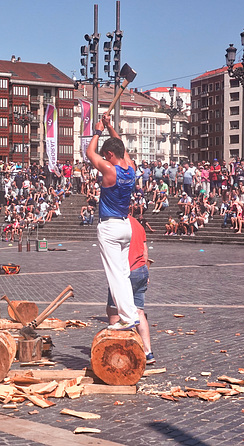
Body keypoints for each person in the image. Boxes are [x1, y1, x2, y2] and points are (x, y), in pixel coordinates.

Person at [86, 113, 139, 330]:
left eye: (106, 156)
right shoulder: (131, 167)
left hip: (109, 226)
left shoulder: (110, 169)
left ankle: (127, 317)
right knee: (123, 273)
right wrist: (109, 126)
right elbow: (121, 147)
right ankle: (131, 312)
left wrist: (97, 130)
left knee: (115, 275)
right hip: (125, 225)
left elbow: (89, 153)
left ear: (108, 155)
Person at [106, 216, 155, 364]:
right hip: (141, 269)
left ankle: (117, 354)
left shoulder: (116, 224)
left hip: (126, 271)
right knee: (139, 311)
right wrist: (146, 271)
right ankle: (148, 352)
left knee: (114, 310)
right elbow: (145, 251)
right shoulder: (138, 224)